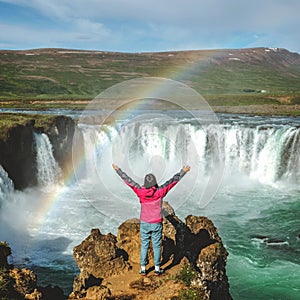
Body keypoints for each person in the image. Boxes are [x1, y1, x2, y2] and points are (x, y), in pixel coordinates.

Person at [112, 163, 191, 276]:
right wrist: (183, 171)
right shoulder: (160, 192)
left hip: (144, 222)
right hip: (156, 223)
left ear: (145, 182)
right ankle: (157, 268)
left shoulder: (140, 191)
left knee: (144, 245)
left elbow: (129, 181)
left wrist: (118, 170)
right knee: (156, 245)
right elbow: (172, 182)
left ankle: (143, 268)